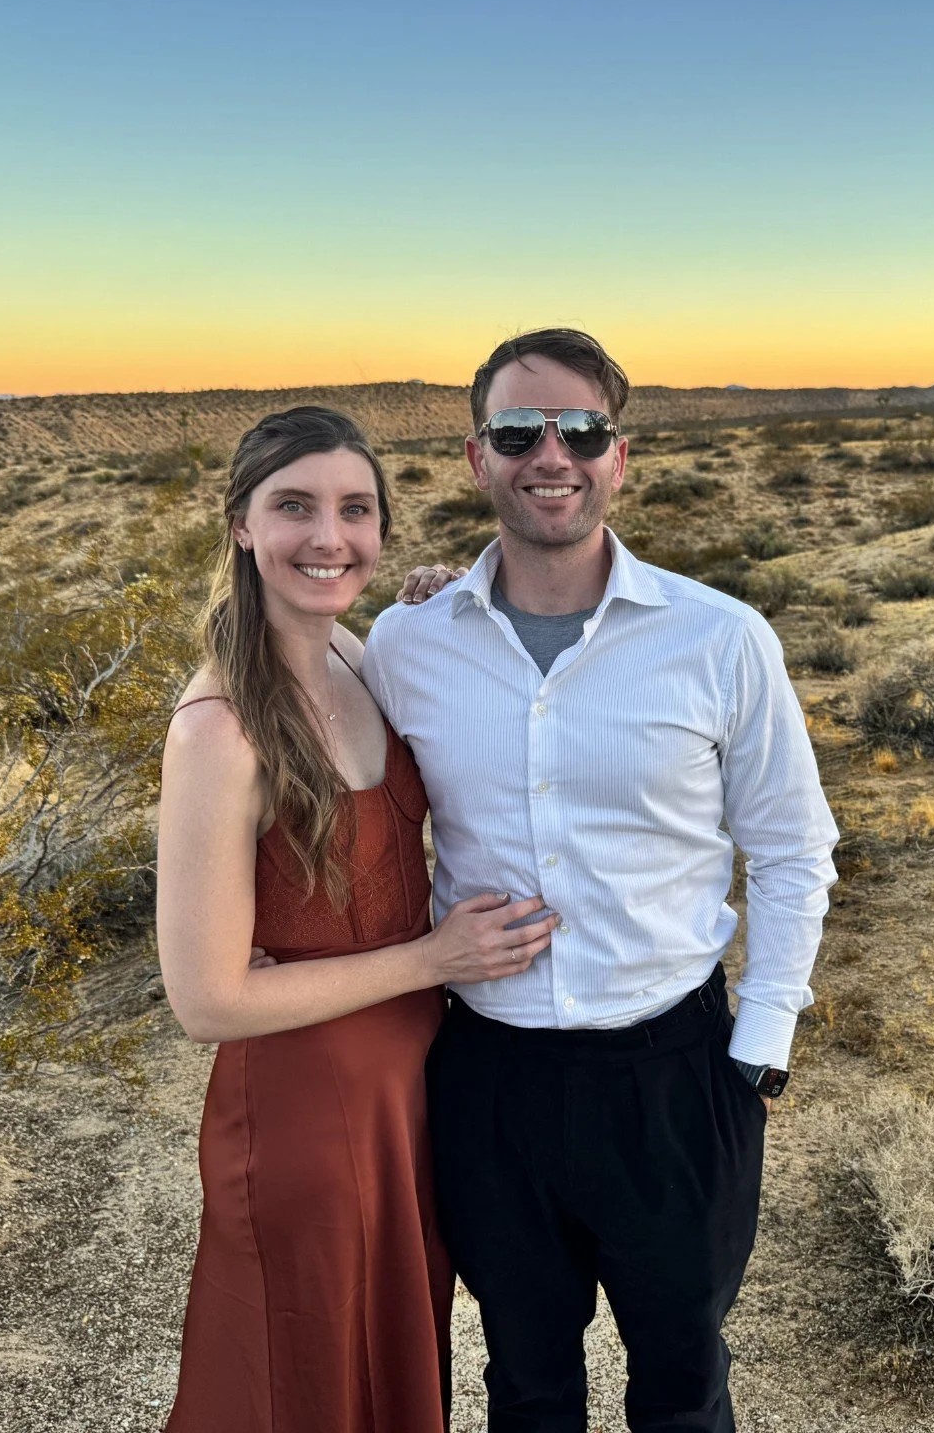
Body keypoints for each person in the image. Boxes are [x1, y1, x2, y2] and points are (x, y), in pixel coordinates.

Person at [363, 329, 839, 1433]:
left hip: (672, 1077)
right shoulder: (407, 642)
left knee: (682, 1384)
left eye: (581, 429)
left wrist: (761, 1041)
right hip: (490, 1079)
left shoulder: (720, 639)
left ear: (619, 456)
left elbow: (790, 845)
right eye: (519, 431)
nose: (552, 455)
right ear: (477, 457)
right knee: (528, 1388)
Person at [155, 405, 558, 1433]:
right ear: (240, 523)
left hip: (408, 1094)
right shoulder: (219, 731)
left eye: (355, 510)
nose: (329, 538)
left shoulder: (357, 655)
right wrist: (434, 957)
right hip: (306, 1104)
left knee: (391, 1360)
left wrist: (437, 607)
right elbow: (207, 1000)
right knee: (308, 1378)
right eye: (294, 507)